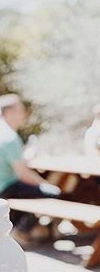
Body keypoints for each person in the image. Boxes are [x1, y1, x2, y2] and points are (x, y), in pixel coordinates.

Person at [0, 94, 60, 234]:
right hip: (6, 187)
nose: (24, 114)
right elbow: (23, 174)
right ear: (8, 112)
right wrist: (44, 184)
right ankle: (21, 231)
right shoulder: (10, 137)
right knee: (53, 192)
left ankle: (23, 227)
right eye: (20, 110)